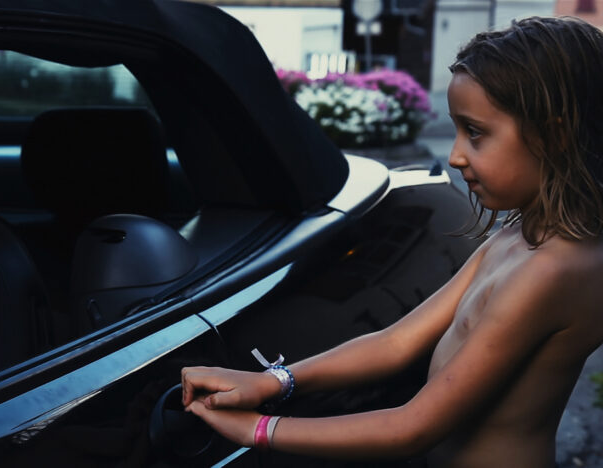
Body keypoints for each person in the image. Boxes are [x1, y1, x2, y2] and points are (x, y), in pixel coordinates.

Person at [181, 16, 603, 467]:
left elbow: (412, 428)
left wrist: (259, 430)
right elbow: (396, 343)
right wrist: (274, 381)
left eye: (475, 133)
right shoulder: (517, 238)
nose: (455, 156)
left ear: (554, 136)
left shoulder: (554, 271)